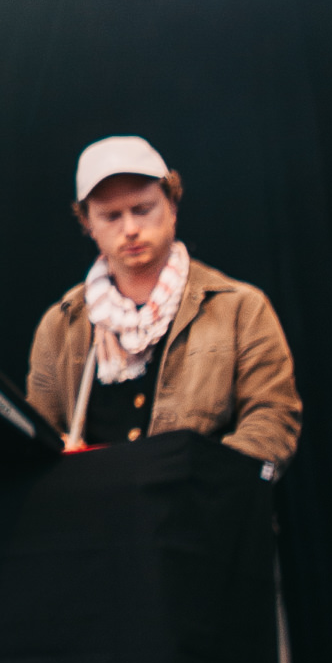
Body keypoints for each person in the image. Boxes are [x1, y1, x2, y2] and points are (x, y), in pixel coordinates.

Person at [26, 136, 302, 462]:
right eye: (111, 216)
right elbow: (35, 439)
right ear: (87, 223)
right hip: (98, 512)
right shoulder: (60, 325)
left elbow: (273, 420)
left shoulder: (240, 308)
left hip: (204, 510)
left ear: (172, 206)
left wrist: (194, 483)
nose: (129, 228)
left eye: (142, 209)